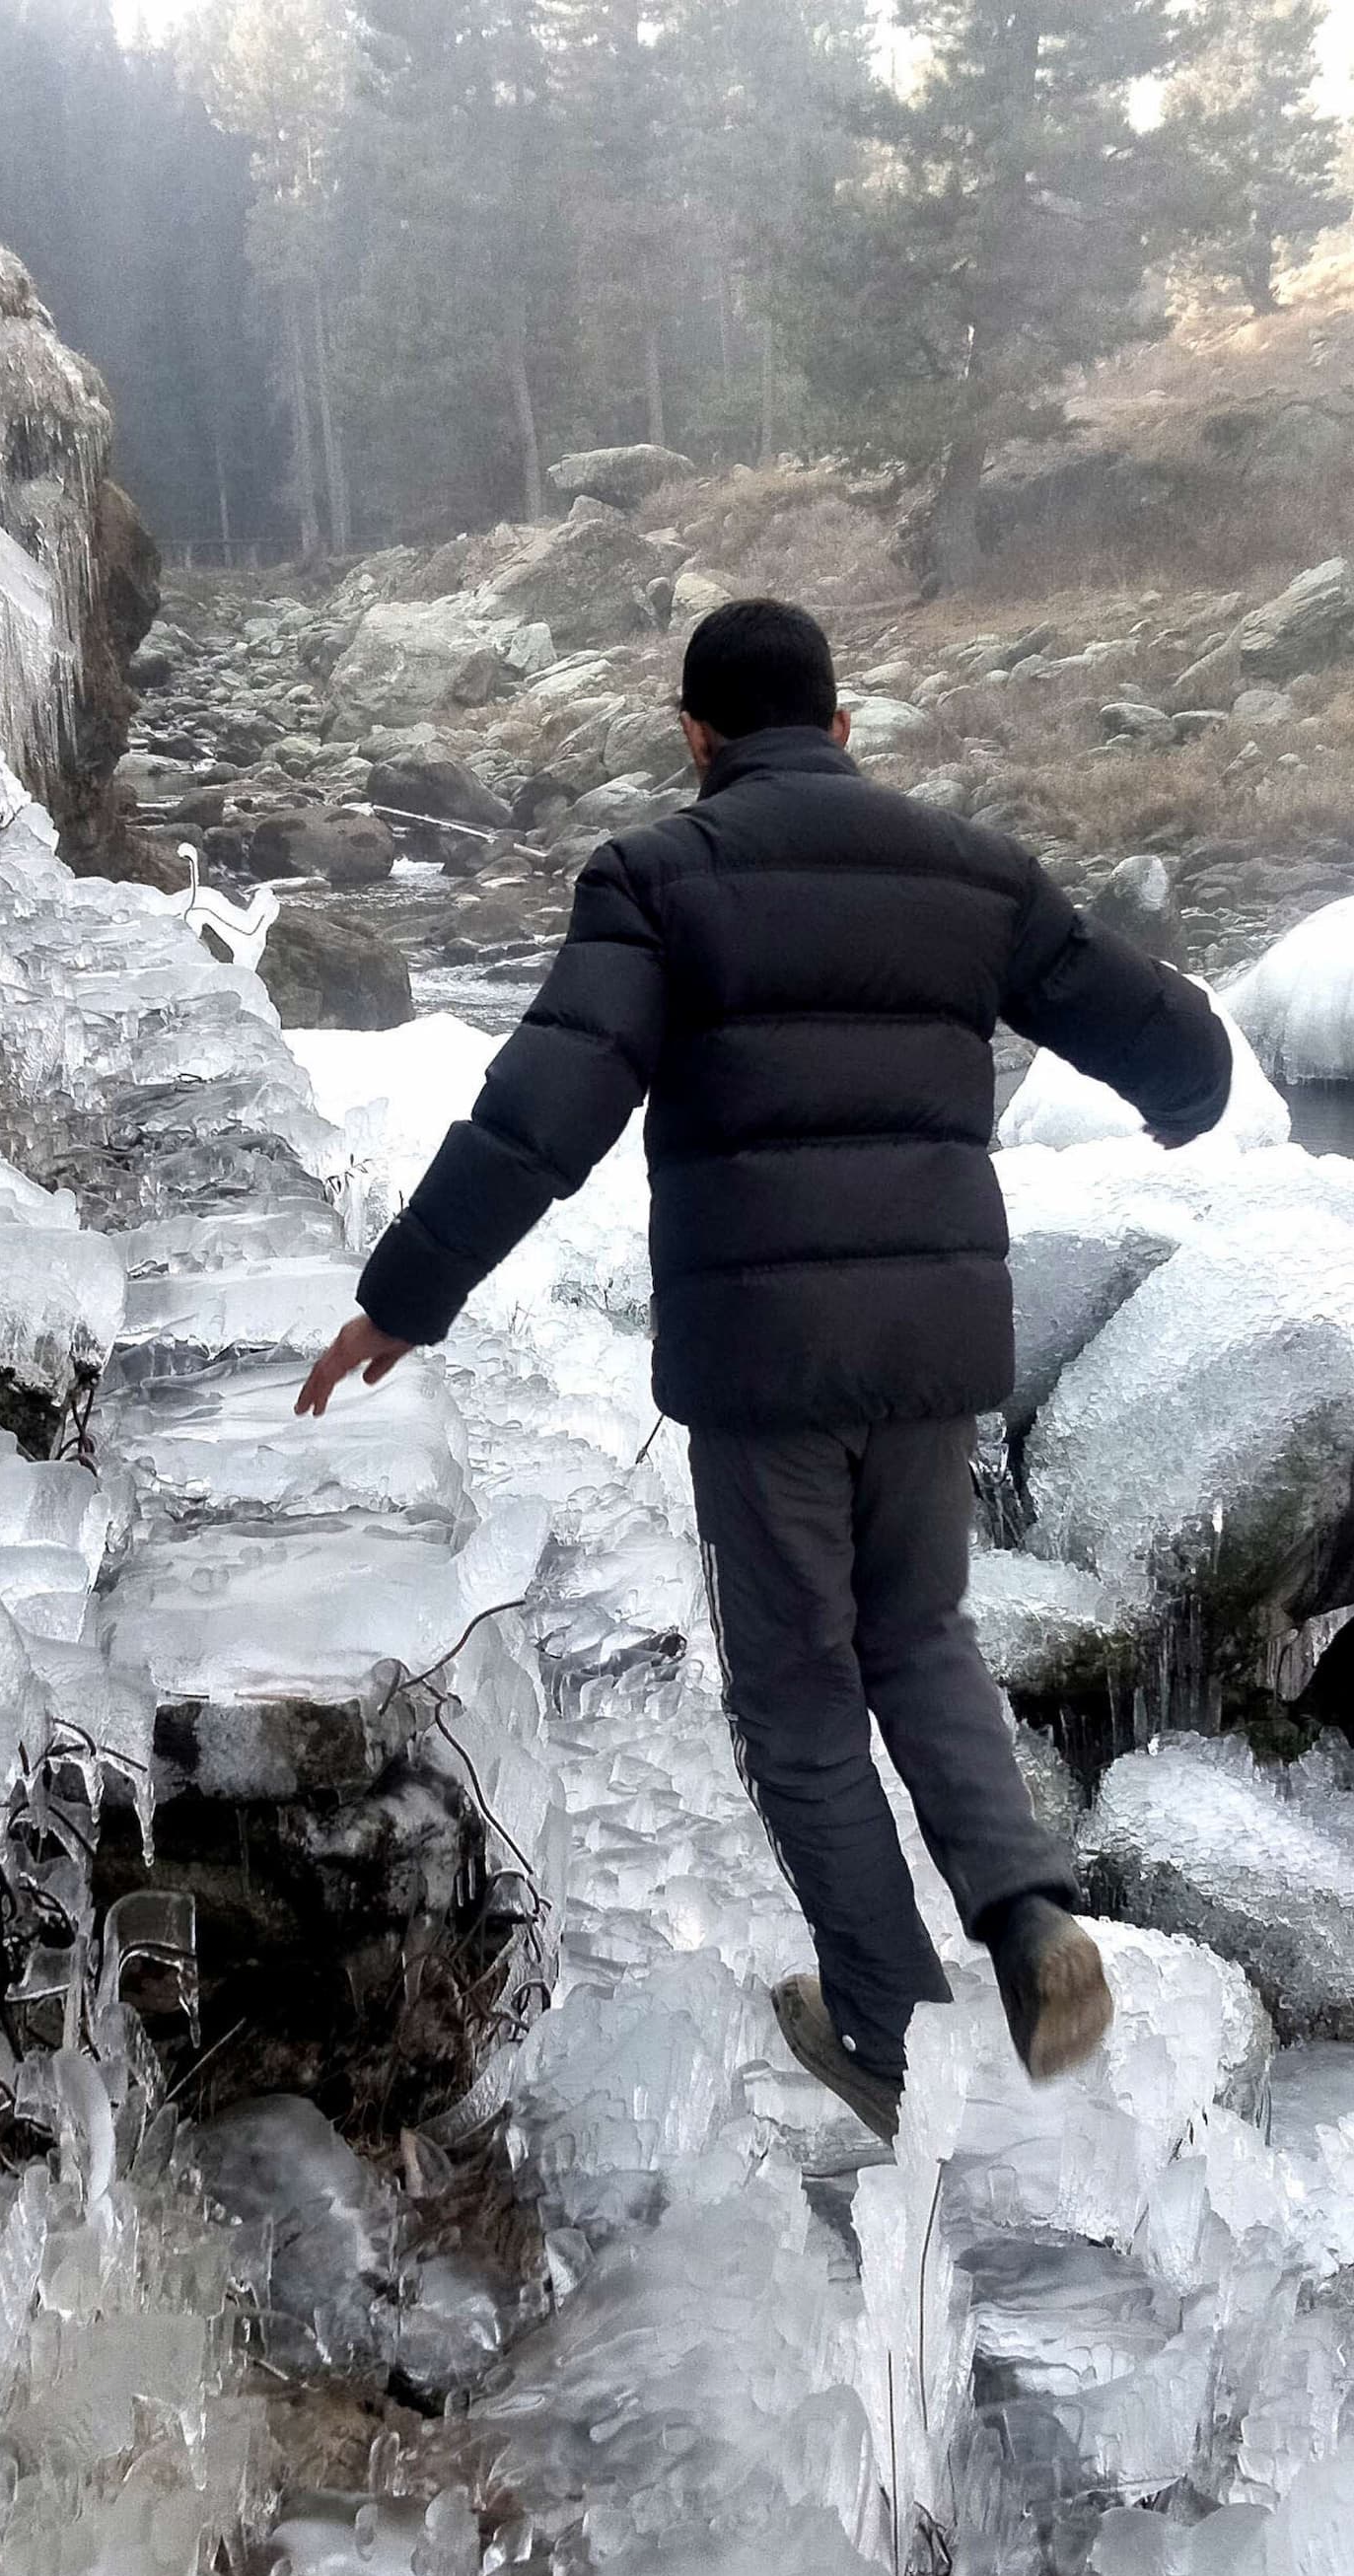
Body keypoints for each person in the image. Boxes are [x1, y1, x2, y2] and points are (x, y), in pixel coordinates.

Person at [295, 598, 1236, 2142]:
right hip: (933, 1349)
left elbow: (546, 1111)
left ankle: (882, 2026)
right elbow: (1156, 1029)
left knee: (798, 1702)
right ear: (844, 727)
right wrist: (1190, 1095)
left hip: (763, 1363)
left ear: (694, 734)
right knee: (921, 1637)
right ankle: (1029, 1922)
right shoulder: (972, 873)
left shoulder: (660, 880)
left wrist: (409, 1294)